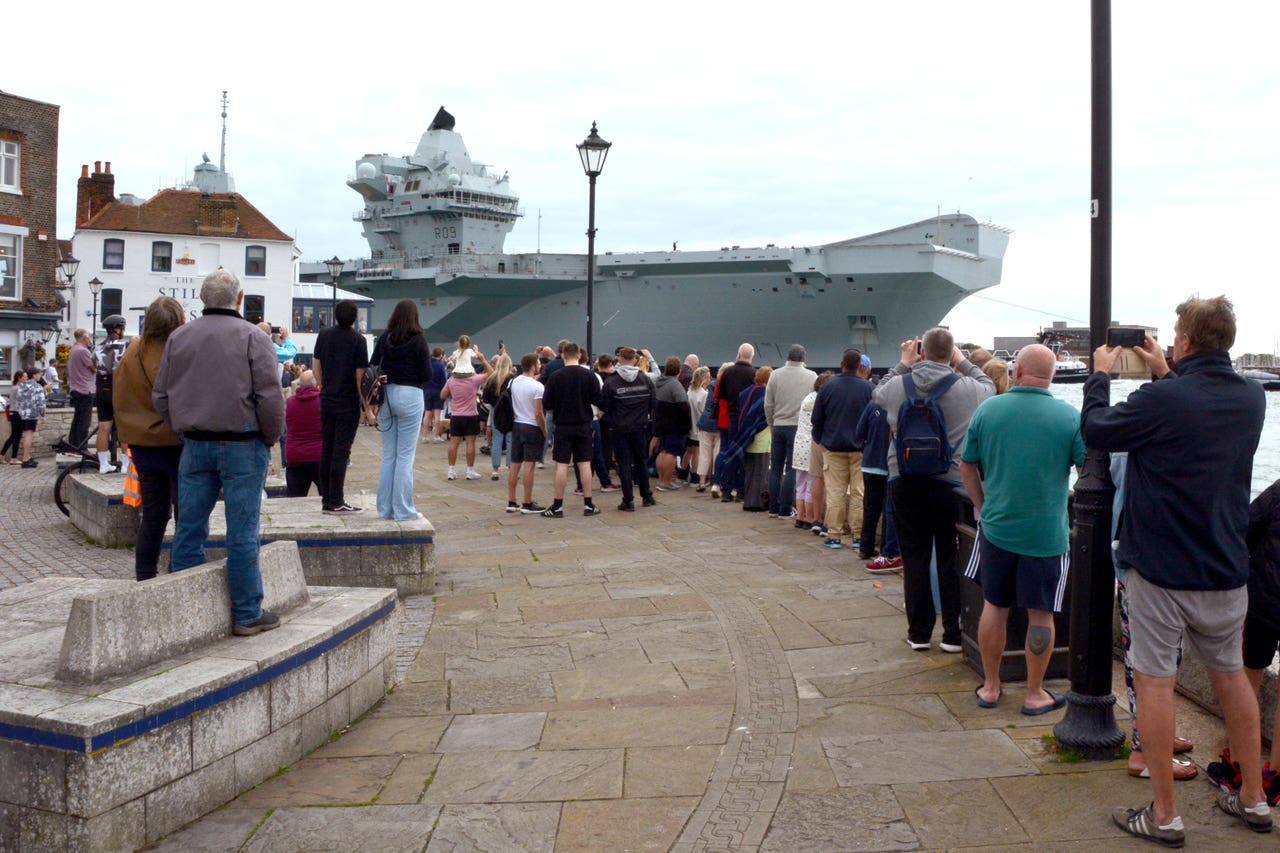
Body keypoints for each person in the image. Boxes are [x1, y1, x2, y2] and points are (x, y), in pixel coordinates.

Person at [1083, 296, 1270, 843]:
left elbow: (1097, 429)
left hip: (1161, 566)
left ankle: (1164, 813)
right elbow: (1198, 408)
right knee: (1233, 677)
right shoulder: (1252, 397)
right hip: (1226, 565)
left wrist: (1099, 377)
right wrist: (1169, 371)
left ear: (1185, 340)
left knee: (1155, 681)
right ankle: (1254, 799)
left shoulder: (1162, 400)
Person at [153, 269, 286, 636]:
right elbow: (270, 397)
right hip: (243, 443)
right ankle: (246, 613)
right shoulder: (252, 338)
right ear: (239, 299)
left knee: (189, 529)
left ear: (201, 298)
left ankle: (185, 612)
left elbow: (160, 396)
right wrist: (270, 438)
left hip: (195, 443)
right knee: (242, 532)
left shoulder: (180, 337)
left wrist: (181, 425)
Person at [959, 344, 1084, 715]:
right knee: (1041, 615)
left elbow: (967, 466)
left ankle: (992, 687)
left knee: (994, 607)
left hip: (997, 528)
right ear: (1053, 376)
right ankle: (1034, 693)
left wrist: (981, 504)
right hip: (1046, 534)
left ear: (1016, 372)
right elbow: (1088, 471)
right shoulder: (1069, 417)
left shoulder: (989, 410)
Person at [873, 328, 994, 653]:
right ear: (951, 353)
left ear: (921, 351)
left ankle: (919, 633)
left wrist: (903, 362)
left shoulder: (898, 385)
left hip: (905, 481)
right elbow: (990, 385)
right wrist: (961, 360)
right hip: (951, 483)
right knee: (949, 557)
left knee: (914, 558)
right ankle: (953, 634)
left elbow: (877, 392)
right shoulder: (968, 388)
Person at [113, 296, 185, 581]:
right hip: (177, 443)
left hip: (143, 444)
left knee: (154, 514)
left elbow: (120, 397)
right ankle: (181, 571)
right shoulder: (178, 350)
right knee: (186, 515)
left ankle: (144, 574)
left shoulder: (132, 354)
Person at [369, 299, 431, 520]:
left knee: (389, 457)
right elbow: (427, 374)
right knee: (405, 456)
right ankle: (404, 510)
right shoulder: (418, 340)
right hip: (411, 395)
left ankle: (384, 509)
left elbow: (373, 364)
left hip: (387, 395)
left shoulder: (385, 338)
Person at [811, 349, 875, 549]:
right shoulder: (868, 388)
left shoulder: (828, 387)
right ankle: (858, 535)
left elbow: (817, 419)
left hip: (833, 447)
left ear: (842, 364)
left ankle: (834, 534)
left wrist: (821, 440)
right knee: (859, 492)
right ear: (860, 367)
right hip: (860, 449)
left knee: (835, 492)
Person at [312, 299, 369, 514]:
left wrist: (322, 385)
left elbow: (316, 364)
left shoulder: (324, 335)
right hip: (347, 402)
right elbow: (359, 376)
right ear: (355, 317)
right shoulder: (358, 340)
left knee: (327, 448)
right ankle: (336, 500)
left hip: (327, 399)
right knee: (341, 452)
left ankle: (326, 498)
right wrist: (367, 407)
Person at [540, 341, 602, 516]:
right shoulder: (589, 376)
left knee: (561, 465)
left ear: (563, 356)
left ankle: (557, 506)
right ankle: (588, 504)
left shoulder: (556, 376)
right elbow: (599, 401)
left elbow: (548, 404)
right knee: (584, 463)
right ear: (579, 355)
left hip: (563, 425)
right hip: (584, 424)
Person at [765, 344, 818, 519]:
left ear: (787, 356)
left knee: (775, 469)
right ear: (804, 358)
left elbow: (768, 404)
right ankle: (785, 509)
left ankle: (773, 508)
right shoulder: (812, 376)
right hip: (799, 428)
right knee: (792, 468)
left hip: (778, 425)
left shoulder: (775, 374)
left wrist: (771, 423)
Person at [601, 346, 656, 511]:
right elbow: (654, 403)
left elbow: (604, 406)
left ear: (619, 359)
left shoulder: (611, 381)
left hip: (619, 429)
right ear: (635, 360)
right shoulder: (645, 380)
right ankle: (646, 496)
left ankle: (628, 500)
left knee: (624, 463)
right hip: (640, 427)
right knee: (641, 461)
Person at [440, 348, 493, 481]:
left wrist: (453, 393)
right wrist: (481, 359)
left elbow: (442, 395)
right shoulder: (473, 379)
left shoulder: (451, 380)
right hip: (470, 414)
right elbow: (491, 373)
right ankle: (470, 470)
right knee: (470, 442)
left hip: (456, 414)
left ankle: (451, 471)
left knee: (454, 442)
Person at [713, 344, 757, 500]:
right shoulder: (754, 374)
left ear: (738, 354)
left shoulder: (728, 373)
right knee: (744, 454)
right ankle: (741, 491)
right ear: (752, 357)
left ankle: (725, 491)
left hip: (732, 417)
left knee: (731, 453)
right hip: (747, 419)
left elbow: (720, 396)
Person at [506, 352, 547, 514]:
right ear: (532, 367)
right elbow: (538, 413)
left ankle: (511, 500)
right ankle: (527, 502)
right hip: (531, 426)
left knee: (514, 464)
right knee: (529, 465)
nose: (539, 366)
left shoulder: (514, 382)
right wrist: (544, 430)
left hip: (516, 424)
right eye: (537, 364)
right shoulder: (538, 386)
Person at [94, 315, 128, 473]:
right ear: (118, 329)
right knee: (123, 428)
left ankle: (103, 464)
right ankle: (126, 464)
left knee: (103, 428)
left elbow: (92, 365)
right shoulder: (125, 346)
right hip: (118, 387)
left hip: (101, 387)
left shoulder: (97, 347)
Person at [653, 356, 692, 491]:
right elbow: (683, 406)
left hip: (662, 423)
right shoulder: (675, 385)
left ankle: (661, 479)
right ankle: (666, 482)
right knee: (672, 453)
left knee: (663, 451)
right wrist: (687, 424)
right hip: (675, 425)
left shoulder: (660, 382)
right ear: (678, 370)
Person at [284, 370, 322, 497]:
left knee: (294, 500)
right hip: (319, 455)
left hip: (295, 456)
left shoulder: (289, 403)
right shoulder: (322, 401)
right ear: (316, 384)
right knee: (327, 497)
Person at [482, 353, 515, 480]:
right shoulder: (512, 378)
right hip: (510, 412)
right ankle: (510, 468)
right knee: (511, 440)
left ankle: (495, 470)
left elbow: (485, 398)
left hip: (496, 411)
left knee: (496, 440)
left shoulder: (491, 379)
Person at [66, 328, 96, 449]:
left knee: (77, 418)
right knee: (84, 420)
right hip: (85, 389)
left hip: (76, 388)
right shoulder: (83, 351)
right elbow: (93, 367)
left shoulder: (73, 349)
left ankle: (73, 444)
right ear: (85, 338)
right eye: (88, 337)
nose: (89, 339)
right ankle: (82, 447)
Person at [13, 369, 44, 467]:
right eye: (39, 374)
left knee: (26, 435)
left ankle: (27, 457)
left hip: (23, 414)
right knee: (29, 436)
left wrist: (21, 411)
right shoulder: (37, 386)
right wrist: (42, 415)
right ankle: (25, 458)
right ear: (34, 375)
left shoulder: (21, 386)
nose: (40, 376)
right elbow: (41, 402)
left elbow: (17, 400)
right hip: (32, 414)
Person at [686, 366, 710, 488]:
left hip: (689, 426)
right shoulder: (704, 394)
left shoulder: (689, 391)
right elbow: (705, 411)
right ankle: (695, 476)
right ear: (705, 378)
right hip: (698, 427)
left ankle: (682, 473)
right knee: (697, 453)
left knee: (688, 451)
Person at [422, 347, 447, 442]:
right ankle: (436, 436)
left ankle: (424, 436)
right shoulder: (440, 365)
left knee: (427, 414)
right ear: (441, 355)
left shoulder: (427, 364)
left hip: (427, 391)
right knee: (437, 415)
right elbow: (443, 381)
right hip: (438, 391)